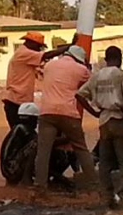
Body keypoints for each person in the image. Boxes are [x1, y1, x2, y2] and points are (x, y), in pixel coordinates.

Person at [78, 46, 123, 209]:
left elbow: (79, 95)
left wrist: (94, 112)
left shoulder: (97, 76)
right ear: (119, 58)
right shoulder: (121, 75)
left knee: (105, 161)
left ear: (106, 59)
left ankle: (107, 196)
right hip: (119, 118)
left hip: (104, 121)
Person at [32, 44, 94, 195]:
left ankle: (40, 186)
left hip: (46, 112)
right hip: (68, 113)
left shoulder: (50, 66)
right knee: (81, 148)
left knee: (43, 151)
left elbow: (41, 71)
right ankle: (93, 183)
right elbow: (88, 83)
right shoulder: (81, 70)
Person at [2, 31, 49, 129]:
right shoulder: (24, 53)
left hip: (19, 100)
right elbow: (45, 56)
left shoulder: (26, 56)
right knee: (21, 131)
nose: (39, 49)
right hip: (16, 101)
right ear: (31, 43)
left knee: (23, 131)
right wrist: (67, 48)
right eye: (38, 46)